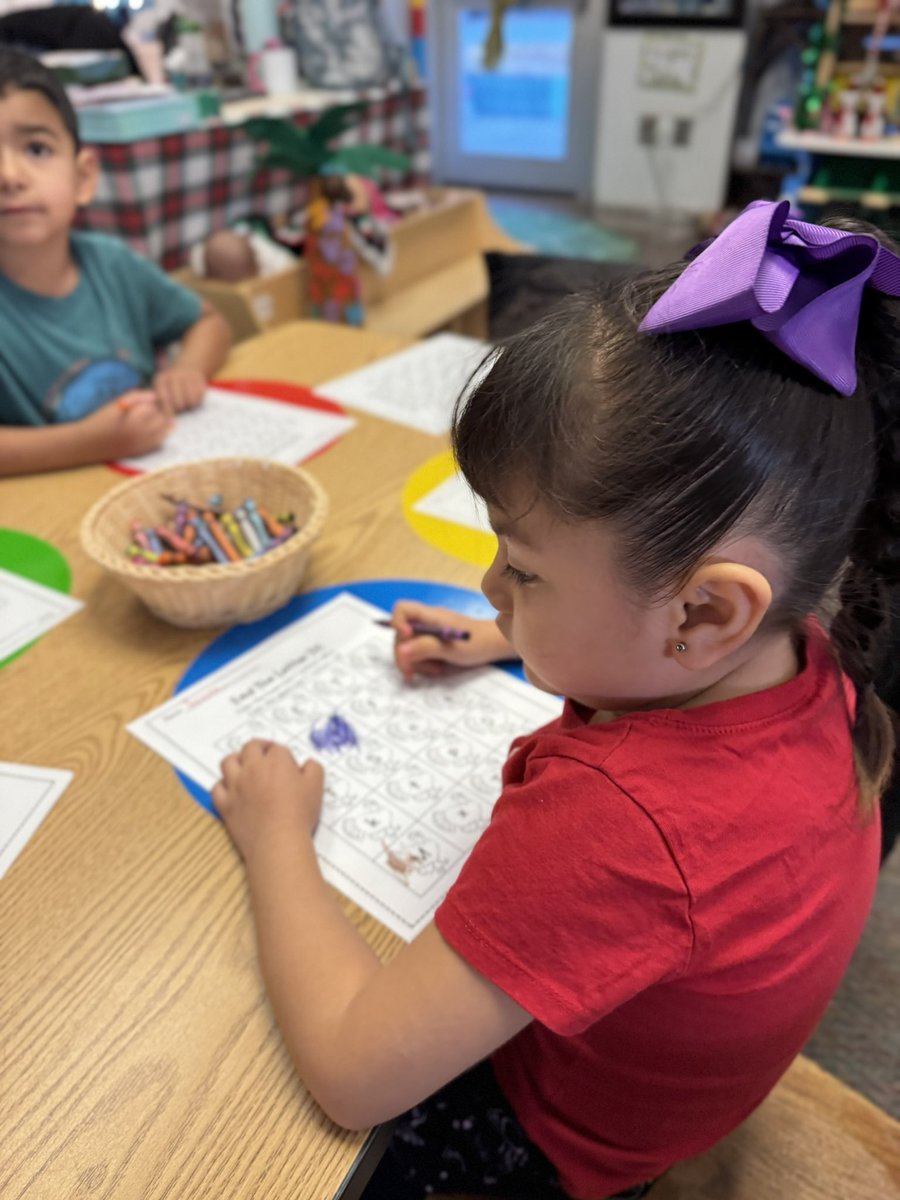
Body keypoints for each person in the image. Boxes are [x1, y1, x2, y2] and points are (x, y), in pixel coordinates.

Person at [211, 201, 894, 1199]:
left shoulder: (620, 827)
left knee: (227, 1114)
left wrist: (277, 834)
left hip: (551, 1156)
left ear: (704, 612)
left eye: (523, 572)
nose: (490, 586)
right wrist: (512, 636)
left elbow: (354, 1074)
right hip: (656, 1094)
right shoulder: (807, 655)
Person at [0, 47, 232, 476]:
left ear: (83, 177)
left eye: (36, 149)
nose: (9, 175)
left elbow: (209, 321)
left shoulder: (113, 265)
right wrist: (91, 443)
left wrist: (187, 370)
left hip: (153, 481)